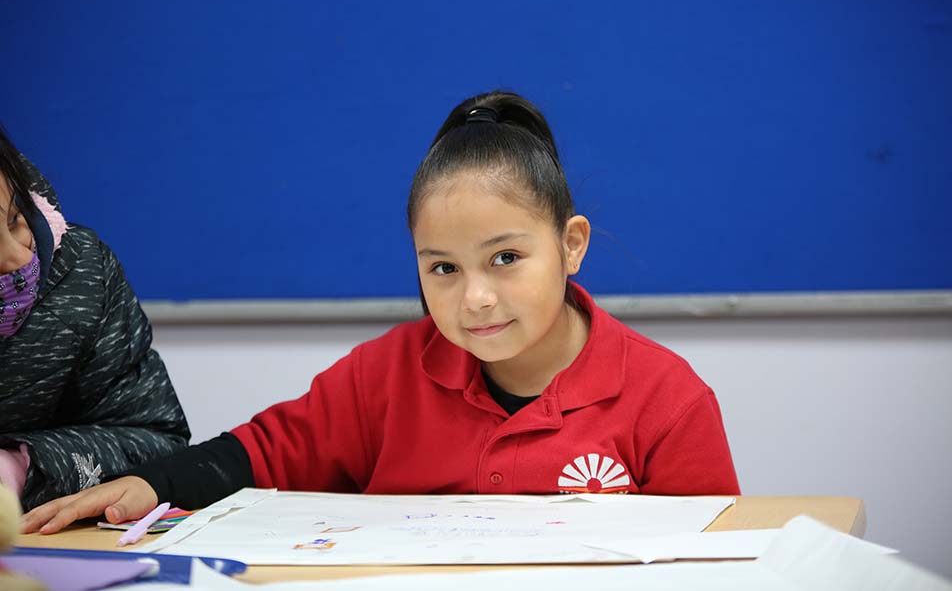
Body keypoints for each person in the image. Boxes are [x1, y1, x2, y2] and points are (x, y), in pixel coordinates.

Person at [23, 91, 738, 534]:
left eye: (505, 257)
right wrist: (155, 483)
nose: (475, 297)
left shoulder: (666, 399)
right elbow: (266, 451)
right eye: (443, 268)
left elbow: (720, 557)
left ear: (571, 245)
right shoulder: (386, 375)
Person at [0, 126, 191, 512]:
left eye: (14, 219)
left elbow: (155, 439)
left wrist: (20, 468)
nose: (19, 258)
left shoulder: (82, 275)